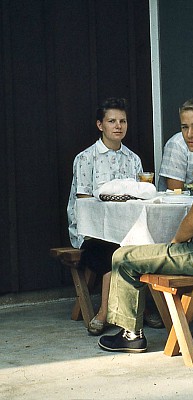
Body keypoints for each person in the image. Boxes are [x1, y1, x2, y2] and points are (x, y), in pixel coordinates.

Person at [98, 99, 193, 353]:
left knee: (123, 257)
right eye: (184, 127)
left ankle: (131, 335)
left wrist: (175, 243)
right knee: (178, 250)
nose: (189, 134)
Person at [67, 97, 143, 335]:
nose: (118, 126)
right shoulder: (86, 158)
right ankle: (104, 312)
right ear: (100, 125)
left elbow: (141, 196)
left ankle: (144, 309)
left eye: (123, 121)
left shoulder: (133, 159)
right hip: (93, 231)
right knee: (115, 253)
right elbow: (84, 206)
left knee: (149, 248)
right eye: (112, 121)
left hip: (127, 229)